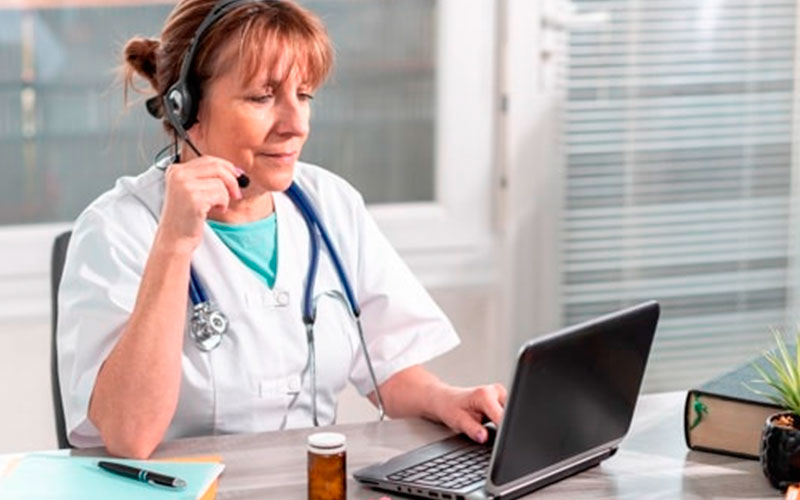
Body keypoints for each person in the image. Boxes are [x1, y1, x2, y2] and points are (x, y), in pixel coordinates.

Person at [57, 0, 506, 459]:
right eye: (262, 97)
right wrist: (174, 245)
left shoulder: (330, 205)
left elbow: (386, 365)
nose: (296, 125)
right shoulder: (116, 230)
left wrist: (447, 401)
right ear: (183, 106)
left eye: (304, 95)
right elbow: (130, 436)